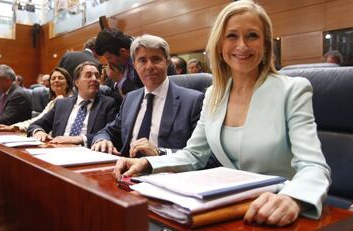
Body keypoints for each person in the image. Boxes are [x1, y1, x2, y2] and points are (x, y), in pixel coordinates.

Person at [113, 0, 330, 227]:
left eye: (252, 36)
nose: (242, 45)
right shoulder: (213, 95)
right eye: (232, 36)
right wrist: (148, 163)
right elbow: (194, 155)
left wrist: (293, 198)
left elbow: (314, 166)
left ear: (266, 45)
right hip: (225, 209)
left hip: (274, 211)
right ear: (219, 45)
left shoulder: (293, 90)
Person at [91, 34, 204, 157]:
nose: (149, 66)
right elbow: (108, 131)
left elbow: (201, 154)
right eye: (142, 60)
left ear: (167, 62)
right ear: (134, 65)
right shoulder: (130, 98)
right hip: (126, 170)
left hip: (165, 172)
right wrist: (102, 139)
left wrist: (159, 152)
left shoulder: (192, 101)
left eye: (156, 59)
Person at [28, 62, 117, 146]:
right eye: (89, 75)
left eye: (97, 76)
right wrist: (38, 132)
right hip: (57, 151)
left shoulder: (108, 104)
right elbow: (36, 125)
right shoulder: (62, 104)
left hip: (87, 154)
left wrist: (80, 139)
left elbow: (109, 134)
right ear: (77, 82)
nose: (94, 79)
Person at [0, 67, 73, 132]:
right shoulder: (52, 102)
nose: (56, 80)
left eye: (60, 78)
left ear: (68, 83)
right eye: (53, 78)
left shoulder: (72, 102)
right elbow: (38, 120)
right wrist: (13, 127)